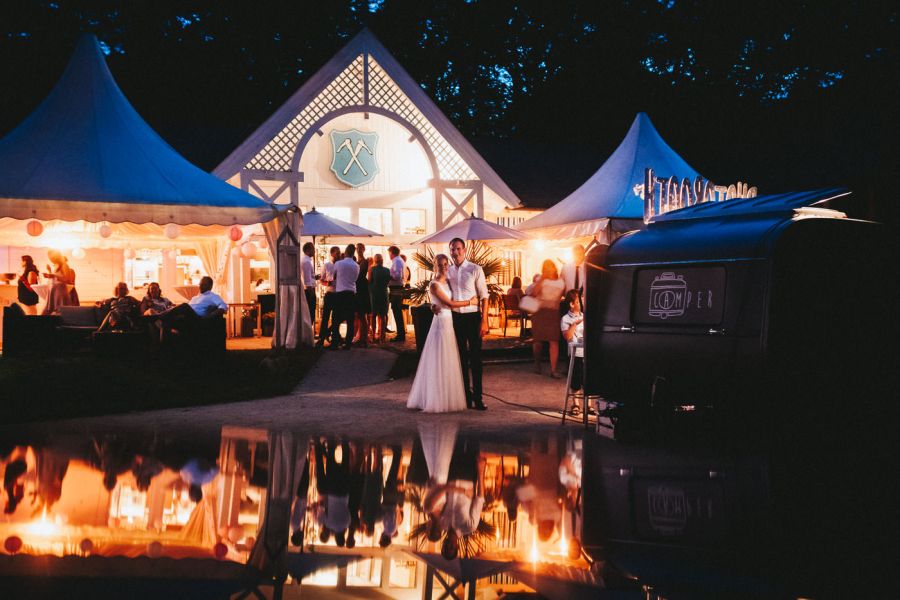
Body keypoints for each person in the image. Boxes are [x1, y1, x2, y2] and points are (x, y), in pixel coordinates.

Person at [406, 254, 479, 413]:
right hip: (440, 324)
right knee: (439, 360)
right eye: (440, 265)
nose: (444, 267)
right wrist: (470, 302)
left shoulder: (449, 281)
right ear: (435, 267)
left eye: (446, 264)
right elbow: (450, 304)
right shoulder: (434, 284)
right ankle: (437, 399)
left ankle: (449, 397)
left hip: (450, 323)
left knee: (449, 360)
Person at [445, 238, 490, 410]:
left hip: (473, 318)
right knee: (460, 359)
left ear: (464, 250)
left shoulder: (475, 269)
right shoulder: (447, 271)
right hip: (455, 319)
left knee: (476, 359)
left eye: (458, 249)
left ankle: (478, 397)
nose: (455, 252)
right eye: (452, 249)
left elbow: (484, 296)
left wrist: (484, 320)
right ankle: (466, 397)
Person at [528, 259, 566, 376]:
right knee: (540, 340)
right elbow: (534, 293)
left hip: (551, 312)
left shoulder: (560, 280)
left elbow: (562, 294)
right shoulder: (547, 280)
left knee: (552, 340)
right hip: (543, 312)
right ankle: (540, 365)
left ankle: (551, 369)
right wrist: (542, 280)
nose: (549, 270)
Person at [330, 244, 359, 350]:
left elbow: (333, 276)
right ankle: (348, 343)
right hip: (351, 293)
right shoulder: (356, 265)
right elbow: (355, 279)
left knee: (336, 318)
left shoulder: (338, 263)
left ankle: (335, 342)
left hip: (340, 293)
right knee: (350, 319)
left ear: (345, 252)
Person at [560, 289, 585, 393]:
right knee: (575, 380)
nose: (582, 302)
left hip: (586, 352)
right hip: (575, 353)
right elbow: (567, 336)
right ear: (572, 304)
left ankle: (588, 404)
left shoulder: (584, 316)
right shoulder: (565, 318)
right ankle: (576, 403)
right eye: (579, 301)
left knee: (587, 379)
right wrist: (575, 324)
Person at [316, 246, 340, 347]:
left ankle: (335, 339)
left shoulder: (340, 265)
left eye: (339, 253)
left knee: (336, 317)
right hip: (329, 293)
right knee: (325, 316)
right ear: (332, 253)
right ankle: (321, 338)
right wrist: (327, 283)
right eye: (337, 253)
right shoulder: (326, 265)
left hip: (339, 294)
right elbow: (321, 280)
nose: (338, 255)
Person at [42, 250, 78, 314]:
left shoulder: (64, 265)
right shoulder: (56, 266)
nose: (51, 259)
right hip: (53, 290)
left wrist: (53, 275)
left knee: (60, 311)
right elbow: (55, 278)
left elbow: (67, 279)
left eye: (51, 257)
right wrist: (49, 274)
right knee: (48, 310)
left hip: (60, 291)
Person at [369, 254, 391, 343]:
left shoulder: (372, 269)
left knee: (373, 315)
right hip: (384, 293)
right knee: (383, 315)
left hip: (374, 294)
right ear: (382, 261)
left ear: (375, 260)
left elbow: (370, 281)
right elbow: (388, 281)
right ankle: (382, 336)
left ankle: (373, 336)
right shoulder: (387, 270)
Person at [353, 243, 371, 347]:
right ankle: (360, 337)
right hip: (358, 289)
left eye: (361, 248)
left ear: (363, 249)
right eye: (358, 248)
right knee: (359, 315)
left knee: (363, 315)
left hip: (362, 289)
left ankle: (364, 339)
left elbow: (359, 275)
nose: (359, 250)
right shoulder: (357, 261)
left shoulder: (364, 261)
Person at [388, 246, 406, 342]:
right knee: (396, 310)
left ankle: (400, 335)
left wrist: (388, 275)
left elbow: (397, 276)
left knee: (397, 311)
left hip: (396, 288)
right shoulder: (399, 260)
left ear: (392, 252)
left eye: (389, 253)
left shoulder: (397, 261)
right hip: (397, 288)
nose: (389, 255)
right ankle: (400, 333)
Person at [301, 242, 317, 326]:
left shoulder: (306, 260)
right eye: (313, 249)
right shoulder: (306, 261)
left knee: (309, 313)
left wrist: (315, 277)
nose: (314, 251)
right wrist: (312, 294)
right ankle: (308, 334)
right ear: (308, 250)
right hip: (308, 291)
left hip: (308, 290)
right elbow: (307, 281)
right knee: (310, 313)